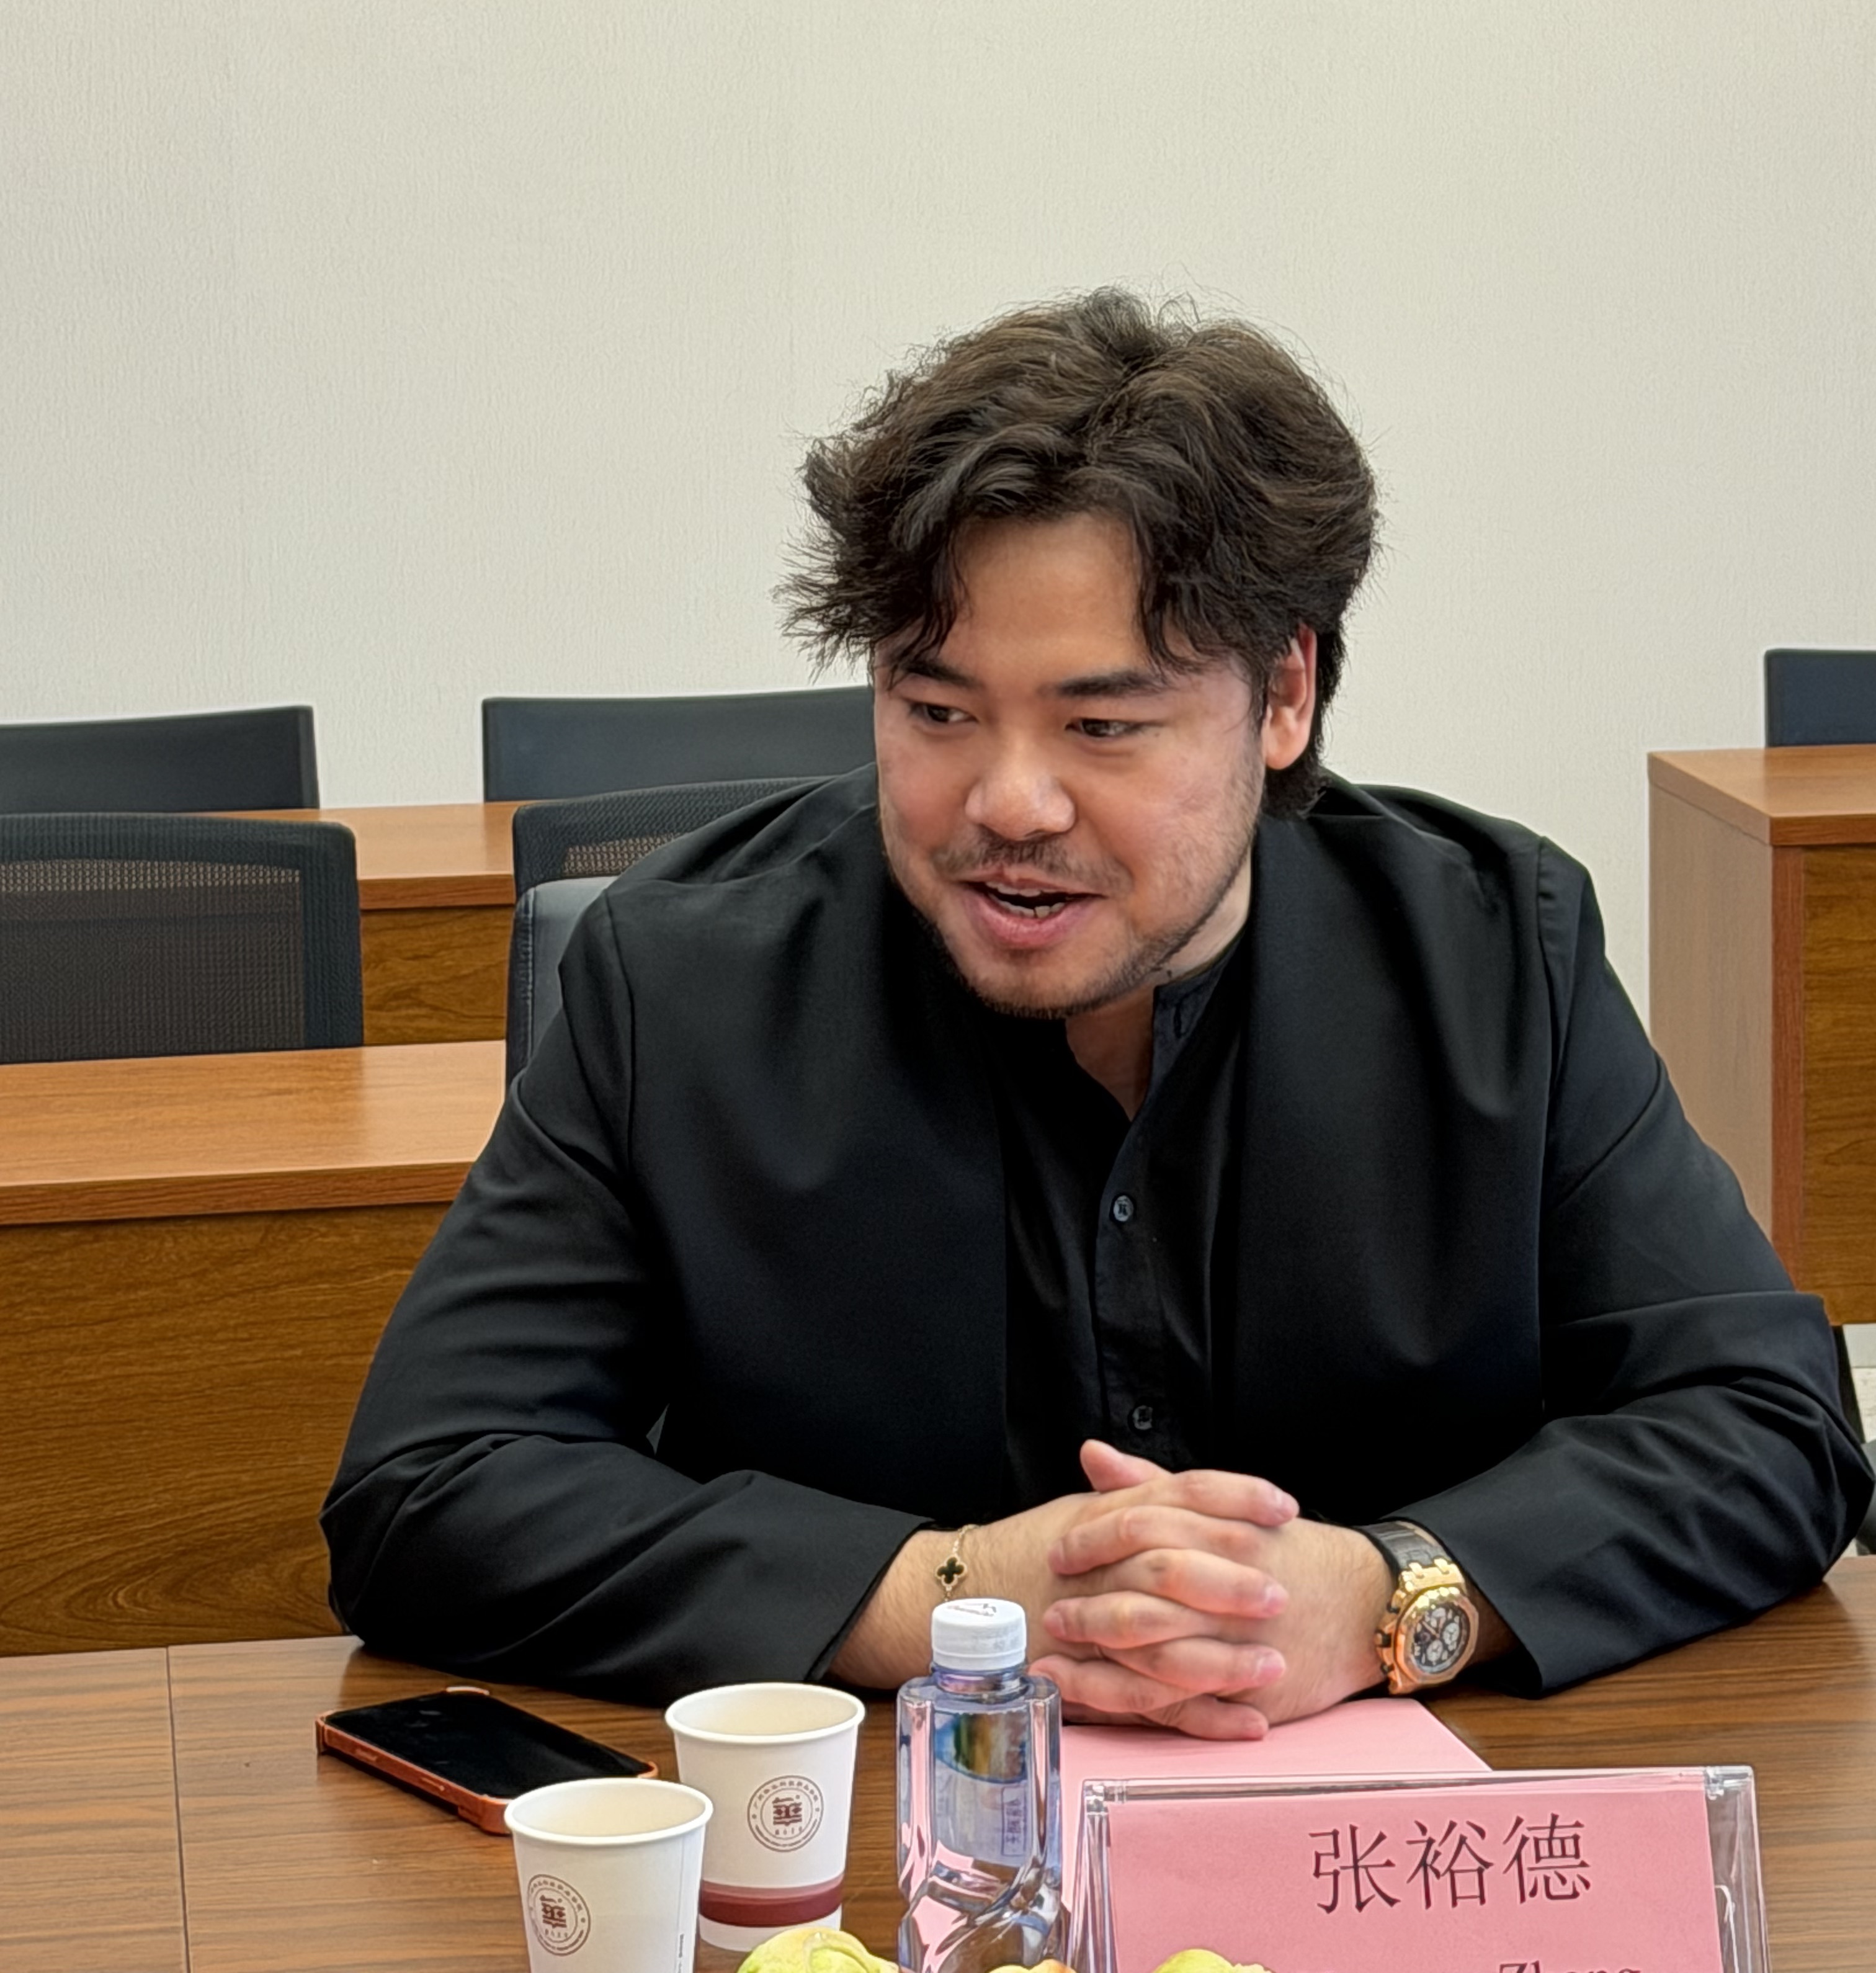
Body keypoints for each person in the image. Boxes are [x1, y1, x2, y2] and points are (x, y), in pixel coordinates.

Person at [323, 290, 1869, 1736]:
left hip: (1376, 1851)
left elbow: (1773, 1426)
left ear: (1284, 697)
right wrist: (945, 1597)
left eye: (1104, 725)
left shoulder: (1492, 957)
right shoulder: (680, 985)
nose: (1008, 802)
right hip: (881, 1860)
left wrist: (1388, 1600)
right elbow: (425, 1492)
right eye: (936, 711)